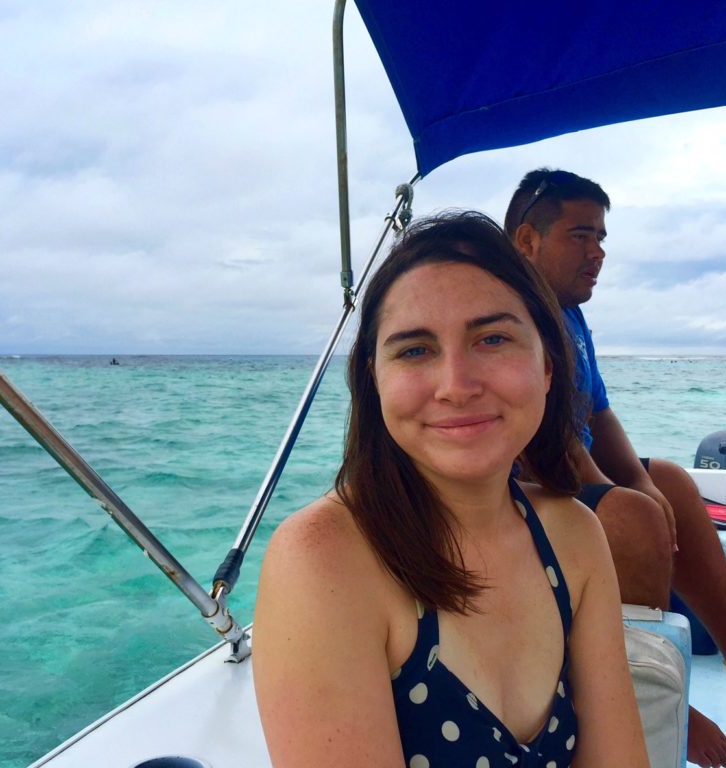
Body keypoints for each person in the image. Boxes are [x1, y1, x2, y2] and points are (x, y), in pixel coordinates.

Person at [254, 211, 649, 767]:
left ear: (548, 369)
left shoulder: (574, 537)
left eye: (492, 338)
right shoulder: (323, 561)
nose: (456, 386)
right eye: (415, 350)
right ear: (374, 379)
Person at [505, 168, 726, 768]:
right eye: (581, 236)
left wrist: (648, 486)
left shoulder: (570, 315)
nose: (598, 253)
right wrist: (626, 502)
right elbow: (546, 443)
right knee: (633, 520)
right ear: (527, 240)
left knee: (671, 483)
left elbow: (597, 415)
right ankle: (658, 696)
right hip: (520, 484)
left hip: (564, 471)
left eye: (602, 237)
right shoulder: (514, 311)